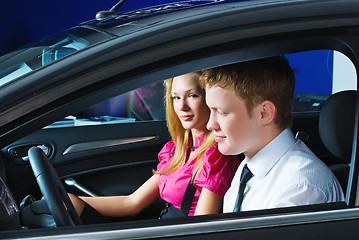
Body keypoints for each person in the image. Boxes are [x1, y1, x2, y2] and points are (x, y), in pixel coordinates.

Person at [69, 72, 241, 222]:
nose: (182, 106)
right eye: (176, 97)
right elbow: (132, 203)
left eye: (192, 96)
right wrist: (70, 201)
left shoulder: (217, 157)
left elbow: (200, 230)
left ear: (210, 98)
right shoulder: (178, 150)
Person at [199, 56, 344, 213]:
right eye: (210, 110)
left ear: (264, 113)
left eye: (221, 112)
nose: (210, 124)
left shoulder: (298, 189)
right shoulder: (249, 166)